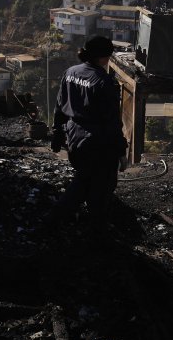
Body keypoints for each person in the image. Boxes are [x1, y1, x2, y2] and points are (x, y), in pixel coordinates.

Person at [50, 35, 128, 231]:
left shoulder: (70, 73)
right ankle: (88, 225)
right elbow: (112, 122)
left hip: (74, 138)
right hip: (98, 143)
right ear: (104, 57)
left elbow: (60, 107)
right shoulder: (104, 82)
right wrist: (121, 151)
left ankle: (71, 219)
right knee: (100, 185)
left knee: (85, 178)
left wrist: (57, 134)